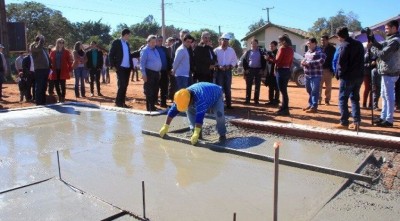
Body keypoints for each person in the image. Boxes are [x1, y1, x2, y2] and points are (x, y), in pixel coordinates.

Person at [159, 82, 226, 145]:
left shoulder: (200, 99)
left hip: (216, 94)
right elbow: (172, 112)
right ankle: (197, 134)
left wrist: (196, 133)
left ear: (191, 100)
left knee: (219, 115)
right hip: (204, 94)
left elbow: (199, 118)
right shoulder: (181, 97)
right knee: (190, 111)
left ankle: (222, 134)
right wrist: (166, 126)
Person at [368, 20, 400, 127]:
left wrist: (372, 47)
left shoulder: (395, 41)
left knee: (389, 96)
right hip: (386, 71)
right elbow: (381, 47)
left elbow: (383, 54)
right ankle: (383, 117)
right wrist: (373, 39)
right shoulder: (390, 39)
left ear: (394, 28)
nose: (385, 31)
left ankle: (389, 120)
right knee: (384, 95)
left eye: (387, 29)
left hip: (390, 72)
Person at [334, 26, 364, 130]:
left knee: (343, 98)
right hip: (359, 76)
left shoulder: (344, 45)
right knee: (355, 99)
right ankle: (356, 122)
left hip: (348, 77)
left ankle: (344, 122)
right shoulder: (359, 44)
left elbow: (341, 63)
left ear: (339, 36)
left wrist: (339, 74)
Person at [269, 34, 294, 116]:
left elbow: (277, 60)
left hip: (281, 71)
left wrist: (268, 58)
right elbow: (290, 62)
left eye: (280, 41)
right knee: (284, 90)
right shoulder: (291, 49)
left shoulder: (282, 49)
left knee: (283, 91)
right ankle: (283, 107)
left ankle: (285, 109)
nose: (279, 43)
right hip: (287, 70)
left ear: (283, 41)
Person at [301, 38, 326, 113]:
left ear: (314, 43)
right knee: (309, 90)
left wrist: (309, 63)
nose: (308, 45)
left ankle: (314, 106)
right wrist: (302, 62)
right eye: (308, 43)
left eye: (309, 43)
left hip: (316, 75)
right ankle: (311, 104)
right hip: (307, 74)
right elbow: (304, 59)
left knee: (315, 91)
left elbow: (322, 60)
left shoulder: (319, 51)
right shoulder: (308, 51)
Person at [109, 28, 133, 108]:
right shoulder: (116, 42)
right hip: (120, 67)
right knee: (122, 85)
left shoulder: (127, 44)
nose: (129, 37)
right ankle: (118, 102)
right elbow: (111, 54)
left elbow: (129, 55)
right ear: (125, 35)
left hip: (127, 68)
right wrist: (113, 66)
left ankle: (122, 103)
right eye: (129, 35)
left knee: (125, 85)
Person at [214, 33, 237, 109]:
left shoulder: (231, 50)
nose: (225, 42)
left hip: (228, 71)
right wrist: (219, 66)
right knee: (219, 88)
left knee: (228, 88)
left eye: (227, 40)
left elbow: (234, 60)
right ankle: (220, 105)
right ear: (221, 40)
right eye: (224, 40)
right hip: (219, 71)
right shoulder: (216, 50)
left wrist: (229, 66)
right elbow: (214, 61)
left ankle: (228, 105)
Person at [140, 35, 162, 111]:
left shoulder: (155, 50)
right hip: (149, 73)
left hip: (156, 73)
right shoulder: (145, 50)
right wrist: (144, 74)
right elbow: (142, 63)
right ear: (148, 42)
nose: (154, 43)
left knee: (155, 89)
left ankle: (152, 105)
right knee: (149, 91)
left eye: (155, 42)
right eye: (152, 42)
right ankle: (149, 107)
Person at [242, 38, 266, 104]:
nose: (254, 45)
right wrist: (246, 69)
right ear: (251, 44)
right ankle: (247, 100)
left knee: (257, 86)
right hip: (250, 70)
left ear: (257, 44)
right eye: (252, 43)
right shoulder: (248, 52)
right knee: (248, 85)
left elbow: (264, 61)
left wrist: (262, 69)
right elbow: (244, 61)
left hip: (258, 70)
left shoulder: (261, 52)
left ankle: (256, 100)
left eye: (255, 43)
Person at [49, 38, 73, 103]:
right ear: (57, 43)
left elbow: (69, 62)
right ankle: (59, 96)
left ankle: (63, 97)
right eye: (60, 42)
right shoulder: (53, 51)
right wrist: (50, 69)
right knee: (56, 85)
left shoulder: (66, 51)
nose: (61, 44)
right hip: (55, 71)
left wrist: (70, 70)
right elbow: (50, 61)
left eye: (62, 43)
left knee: (63, 85)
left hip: (63, 70)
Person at [30, 35, 50, 105]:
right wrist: (41, 40)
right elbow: (38, 48)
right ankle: (38, 102)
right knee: (39, 86)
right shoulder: (33, 46)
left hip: (46, 69)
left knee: (44, 86)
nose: (43, 41)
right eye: (42, 40)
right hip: (39, 69)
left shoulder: (44, 48)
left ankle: (43, 101)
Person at [156, 35, 172, 108]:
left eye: (161, 40)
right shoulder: (153, 48)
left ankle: (163, 103)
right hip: (156, 71)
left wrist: (169, 69)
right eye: (159, 40)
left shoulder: (165, 49)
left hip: (164, 71)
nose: (160, 42)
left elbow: (169, 59)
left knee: (164, 88)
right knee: (155, 87)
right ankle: (154, 101)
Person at [319, 35, 336, 105]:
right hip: (319, 70)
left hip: (328, 70)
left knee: (328, 86)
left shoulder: (332, 49)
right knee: (319, 86)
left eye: (324, 40)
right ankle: (318, 100)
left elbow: (334, 59)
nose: (322, 42)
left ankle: (327, 100)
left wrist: (333, 70)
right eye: (321, 40)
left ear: (327, 40)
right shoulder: (319, 48)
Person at [264, 41, 280, 106]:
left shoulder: (278, 52)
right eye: (270, 46)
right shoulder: (268, 52)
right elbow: (266, 61)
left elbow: (276, 60)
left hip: (276, 72)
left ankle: (276, 101)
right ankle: (271, 100)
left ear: (276, 46)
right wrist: (266, 58)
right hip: (270, 73)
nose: (271, 47)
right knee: (270, 88)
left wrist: (269, 58)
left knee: (277, 88)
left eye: (272, 46)